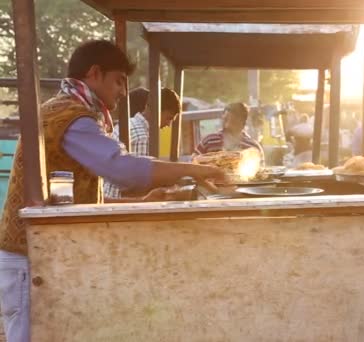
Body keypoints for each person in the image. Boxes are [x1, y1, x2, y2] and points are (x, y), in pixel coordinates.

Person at [0, 40, 225, 342]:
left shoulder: (71, 111)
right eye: (119, 80)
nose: (122, 91)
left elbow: (71, 198)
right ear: (95, 73)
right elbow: (122, 169)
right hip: (29, 255)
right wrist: (196, 169)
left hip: (40, 251)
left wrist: (142, 202)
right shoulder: (71, 117)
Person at [104, 87, 182, 199]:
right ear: (156, 110)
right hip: (124, 206)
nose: (168, 125)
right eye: (169, 118)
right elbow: (139, 185)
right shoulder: (142, 138)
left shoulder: (128, 124)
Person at [195, 102, 264, 158]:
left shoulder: (253, 148)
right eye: (225, 119)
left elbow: (261, 172)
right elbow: (193, 162)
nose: (225, 122)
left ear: (242, 122)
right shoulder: (209, 141)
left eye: (232, 120)